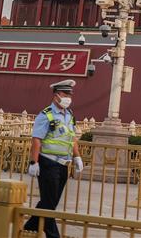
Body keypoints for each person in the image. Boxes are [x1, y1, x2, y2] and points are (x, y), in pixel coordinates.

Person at [23, 79, 84, 238]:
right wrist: (33, 162)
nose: (69, 98)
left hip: (63, 164)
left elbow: (72, 138)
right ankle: (53, 235)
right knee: (49, 204)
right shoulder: (46, 115)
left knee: (50, 202)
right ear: (57, 95)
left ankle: (29, 227)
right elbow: (37, 139)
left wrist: (77, 157)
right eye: (65, 94)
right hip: (48, 163)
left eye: (70, 95)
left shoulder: (69, 115)